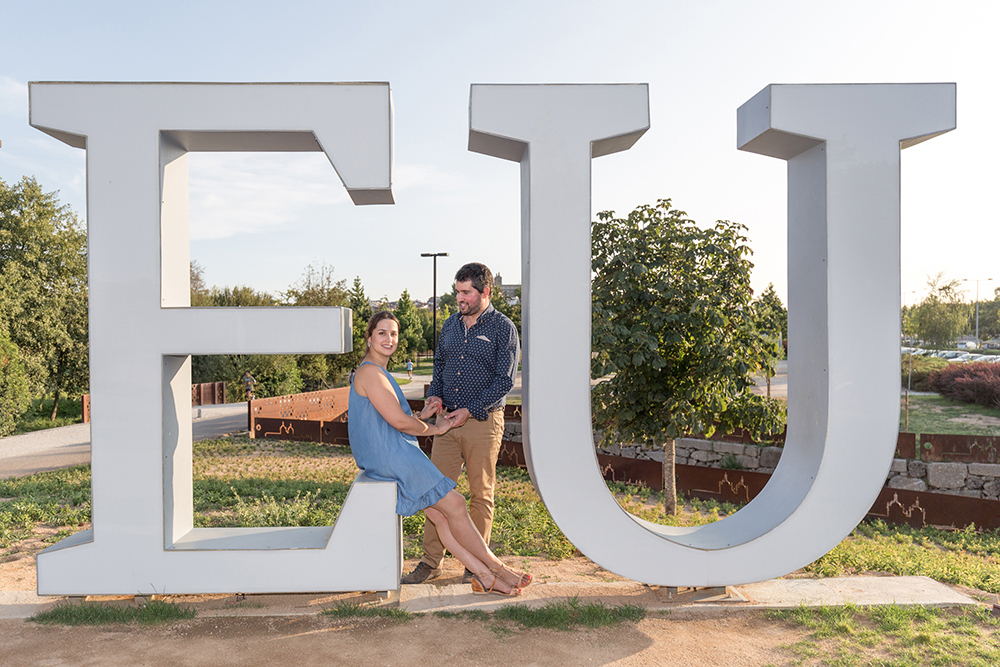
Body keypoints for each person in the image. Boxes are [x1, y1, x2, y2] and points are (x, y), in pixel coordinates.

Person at [349, 311, 530, 595]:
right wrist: (437, 428)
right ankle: (498, 568)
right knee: (456, 505)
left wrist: (423, 414)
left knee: (442, 517)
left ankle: (484, 576)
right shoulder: (370, 372)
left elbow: (388, 421)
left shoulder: (376, 371)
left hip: (387, 454)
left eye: (393, 333)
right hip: (392, 458)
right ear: (369, 337)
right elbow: (398, 422)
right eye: (382, 333)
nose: (389, 339)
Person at [402, 263, 520, 585]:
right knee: (434, 492)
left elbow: (504, 380)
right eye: (457, 292)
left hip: (482, 421)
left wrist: (470, 409)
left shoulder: (503, 328)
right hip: (445, 424)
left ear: (486, 292)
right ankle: (430, 562)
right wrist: (435, 398)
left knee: (481, 494)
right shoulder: (451, 325)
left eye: (466, 292)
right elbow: (439, 366)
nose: (460, 298)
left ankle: (475, 565)